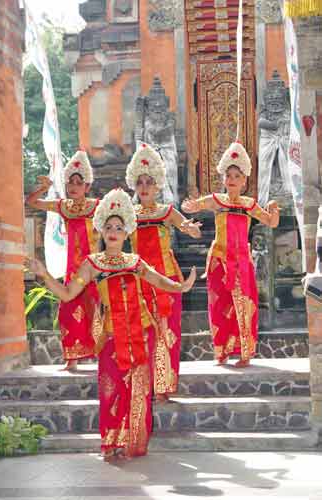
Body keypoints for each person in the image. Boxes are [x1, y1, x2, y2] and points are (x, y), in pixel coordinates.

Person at [26, 188, 196, 461]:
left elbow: (158, 281)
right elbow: (69, 294)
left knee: (139, 391)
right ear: (101, 231)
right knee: (111, 389)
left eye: (119, 227)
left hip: (141, 333)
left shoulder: (135, 262)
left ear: (127, 231)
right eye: (108, 226)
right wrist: (44, 274)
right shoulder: (93, 264)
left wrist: (180, 286)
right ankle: (111, 441)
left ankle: (134, 442)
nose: (113, 231)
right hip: (111, 337)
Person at [182, 142, 280, 367]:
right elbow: (196, 206)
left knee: (244, 305)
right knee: (218, 306)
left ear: (244, 180)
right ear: (224, 179)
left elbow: (270, 222)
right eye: (229, 175)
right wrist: (189, 209)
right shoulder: (217, 200)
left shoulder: (249, 204)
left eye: (237, 175)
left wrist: (274, 209)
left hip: (242, 261)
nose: (233, 179)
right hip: (219, 259)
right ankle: (222, 351)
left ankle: (245, 353)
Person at [126, 143, 202, 401]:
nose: (145, 187)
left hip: (166, 281)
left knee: (167, 333)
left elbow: (188, 227)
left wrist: (191, 228)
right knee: (142, 333)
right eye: (140, 182)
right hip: (138, 281)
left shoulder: (167, 211)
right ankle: (143, 385)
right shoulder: (128, 215)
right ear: (134, 186)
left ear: (158, 184)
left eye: (149, 182)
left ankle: (164, 387)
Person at [26, 151, 100, 371]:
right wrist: (44, 187)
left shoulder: (98, 206)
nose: (74, 186)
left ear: (87, 186)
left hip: (93, 270)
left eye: (79, 182)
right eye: (71, 182)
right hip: (72, 271)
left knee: (95, 312)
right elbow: (32, 202)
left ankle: (100, 356)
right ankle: (72, 359)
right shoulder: (63, 206)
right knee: (68, 312)